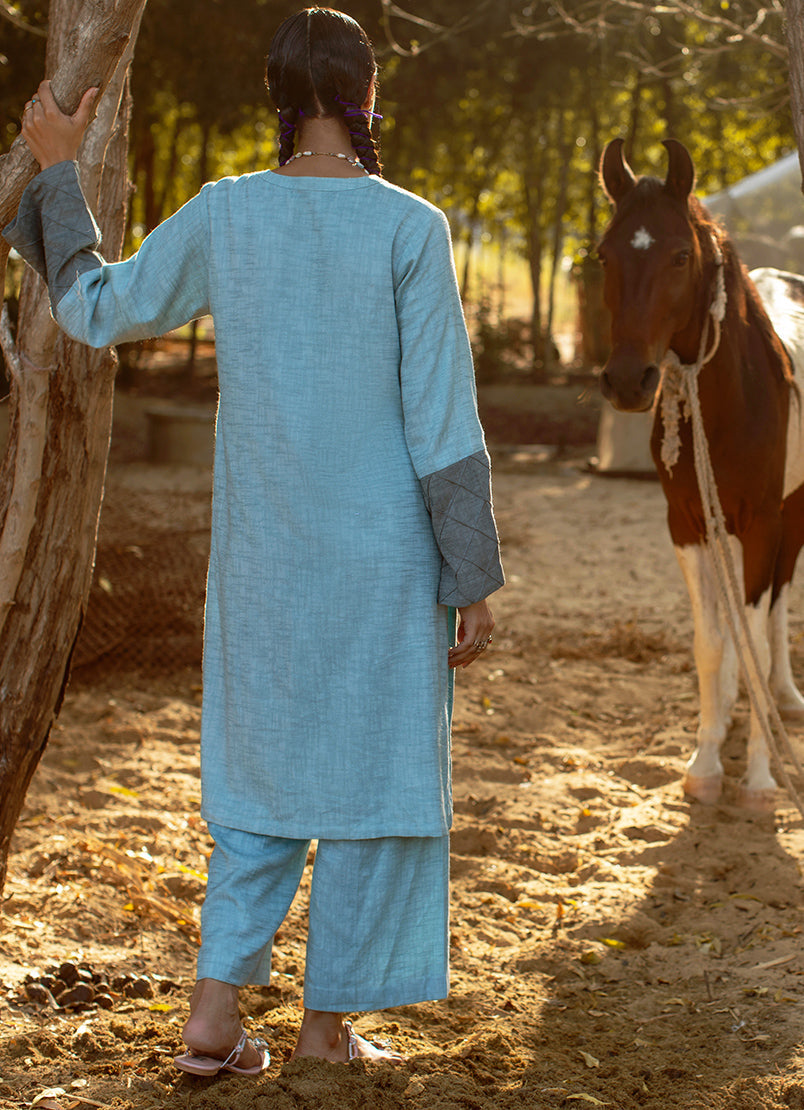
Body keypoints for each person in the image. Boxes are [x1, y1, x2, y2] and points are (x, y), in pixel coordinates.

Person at [5, 6, 503, 1076]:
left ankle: (214, 1018)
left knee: (263, 778)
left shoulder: (228, 214)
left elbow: (95, 306)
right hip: (390, 562)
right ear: (367, 97)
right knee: (377, 783)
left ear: (278, 102)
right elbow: (442, 419)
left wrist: (57, 170)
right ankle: (328, 1032)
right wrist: (471, 577)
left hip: (266, 568)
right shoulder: (413, 228)